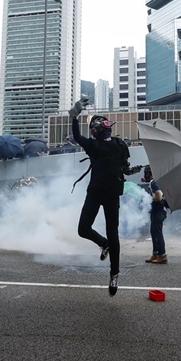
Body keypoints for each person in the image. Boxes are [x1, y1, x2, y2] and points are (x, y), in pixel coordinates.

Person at [69, 97, 141, 296]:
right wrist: (74, 116)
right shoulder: (100, 146)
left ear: (95, 130)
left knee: (109, 233)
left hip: (109, 194)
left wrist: (131, 170)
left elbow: (124, 169)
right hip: (97, 192)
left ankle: (114, 274)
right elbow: (77, 137)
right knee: (84, 229)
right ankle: (104, 244)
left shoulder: (117, 145)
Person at [143, 165, 168, 264]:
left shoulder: (154, 182)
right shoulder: (158, 181)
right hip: (158, 211)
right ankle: (156, 253)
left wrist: (149, 200)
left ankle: (162, 255)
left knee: (157, 233)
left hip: (158, 211)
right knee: (154, 232)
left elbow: (158, 196)